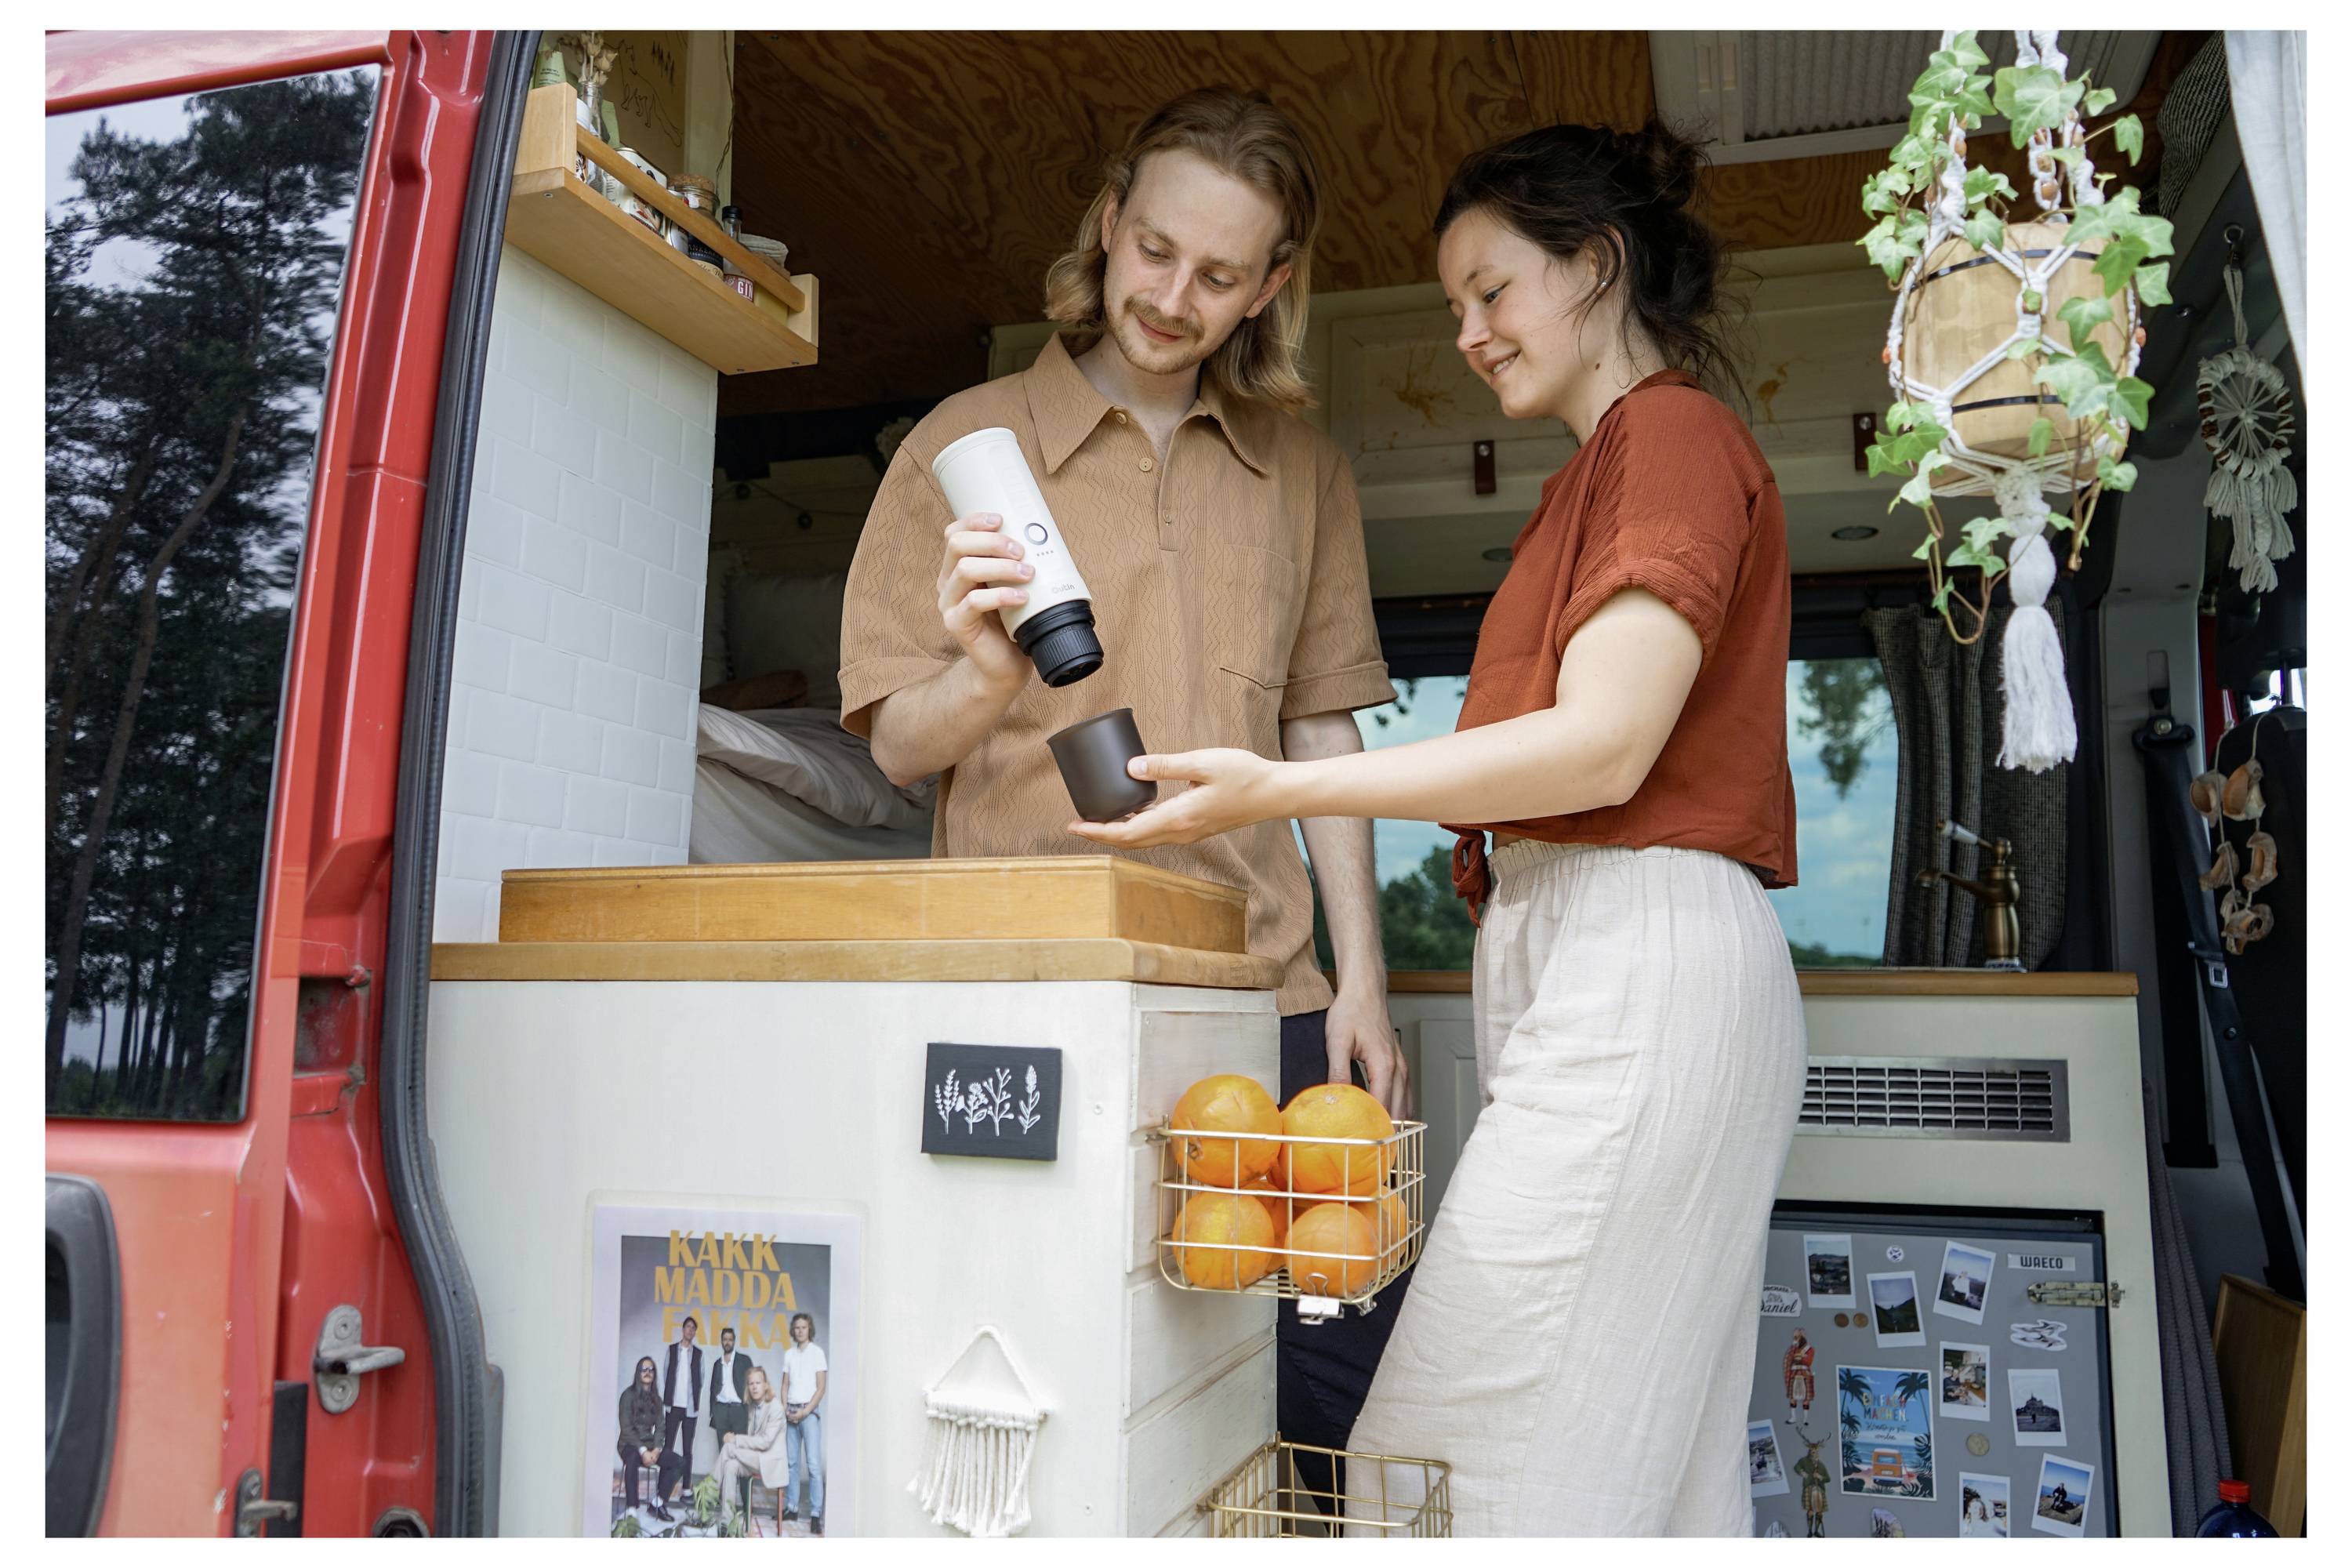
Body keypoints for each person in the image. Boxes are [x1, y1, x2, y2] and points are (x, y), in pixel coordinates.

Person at [1073, 120, 1806, 1535]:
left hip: (1643, 955)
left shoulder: (1669, 439)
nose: (1466, 331)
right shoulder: (1602, 468)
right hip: (1618, 951)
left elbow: (1605, 741)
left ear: (1596, 269)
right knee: (1641, 1470)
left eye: (1492, 290)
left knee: (1445, 1468)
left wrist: (1282, 789)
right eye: (1455, 303)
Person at [838, 86, 1413, 1479]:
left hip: (1256, 997)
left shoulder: (1303, 472)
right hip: (1021, 996)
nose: (1171, 296)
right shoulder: (958, 445)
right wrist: (983, 677)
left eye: (1219, 275)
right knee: (1034, 1378)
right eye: (1154, 249)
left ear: (1272, 286)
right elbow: (895, 745)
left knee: (1318, 1385)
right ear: (1107, 223)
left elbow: (1325, 731)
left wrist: (1363, 982)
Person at [777, 1312, 829, 1534]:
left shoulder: (817, 1353)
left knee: (814, 1465)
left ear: (810, 1330)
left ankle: (816, 1513)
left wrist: (806, 1411)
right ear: (793, 1330)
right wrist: (784, 1409)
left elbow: (821, 1388)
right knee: (791, 1463)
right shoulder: (789, 1354)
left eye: (804, 1328)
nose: (800, 1331)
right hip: (791, 1413)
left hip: (809, 1414)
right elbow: (785, 1385)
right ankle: (792, 1507)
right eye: (797, 1328)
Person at [713, 1367, 786, 1527]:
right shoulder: (753, 1407)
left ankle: (709, 1494)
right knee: (731, 1466)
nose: (754, 1387)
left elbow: (766, 1442)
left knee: (728, 1448)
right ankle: (727, 1521)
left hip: (770, 1462)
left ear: (766, 1385)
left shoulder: (776, 1408)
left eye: (758, 1383)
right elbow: (754, 1439)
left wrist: (735, 1439)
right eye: (751, 1383)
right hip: (756, 1458)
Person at [616, 1356, 670, 1522]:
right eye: (644, 1369)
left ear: (654, 1374)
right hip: (629, 1444)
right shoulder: (628, 1395)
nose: (647, 1372)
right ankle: (632, 1508)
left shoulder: (657, 1399)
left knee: (678, 1462)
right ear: (638, 1373)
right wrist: (643, 1451)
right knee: (632, 1458)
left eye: (651, 1369)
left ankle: (657, 1503)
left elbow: (661, 1427)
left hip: (649, 1444)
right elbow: (626, 1428)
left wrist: (656, 1449)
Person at [659, 1315, 705, 1504]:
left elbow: (701, 1379)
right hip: (673, 1406)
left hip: (690, 1410)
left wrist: (691, 1399)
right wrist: (671, 1396)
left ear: (695, 1332)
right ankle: (662, 1487)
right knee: (667, 1447)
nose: (690, 1331)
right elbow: (665, 1372)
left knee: (688, 1449)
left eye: (693, 1328)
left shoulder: (699, 1354)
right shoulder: (672, 1350)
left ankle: (686, 1490)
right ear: (683, 1329)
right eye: (688, 1327)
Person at [705, 1326, 757, 1465]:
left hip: (738, 1410)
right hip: (721, 1409)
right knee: (723, 1450)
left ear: (734, 1341)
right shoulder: (717, 1363)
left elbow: (753, 1383)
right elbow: (712, 1389)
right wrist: (713, 1411)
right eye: (725, 1340)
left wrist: (749, 1406)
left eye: (730, 1340)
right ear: (721, 1341)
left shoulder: (744, 1360)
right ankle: (725, 1485)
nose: (727, 1342)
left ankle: (740, 1483)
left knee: (740, 1449)